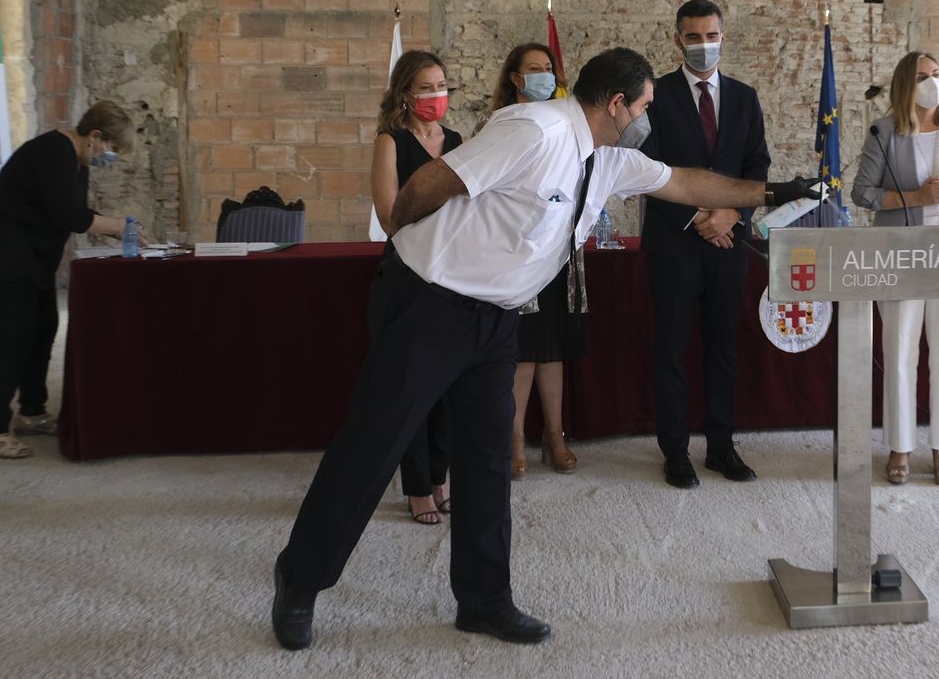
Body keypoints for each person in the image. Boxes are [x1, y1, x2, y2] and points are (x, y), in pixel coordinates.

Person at [269, 47, 819, 651]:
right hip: (432, 301)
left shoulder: (608, 157)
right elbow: (431, 179)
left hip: (499, 318)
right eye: (644, 105)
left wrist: (770, 192)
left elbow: (687, 181)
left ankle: (483, 600)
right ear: (616, 104)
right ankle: (299, 580)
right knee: (375, 444)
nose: (648, 116)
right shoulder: (533, 130)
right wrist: (404, 237)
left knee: (484, 461)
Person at [640, 0, 771, 489]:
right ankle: (675, 451)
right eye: (692, 37)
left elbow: (756, 166)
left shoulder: (744, 96)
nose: (702, 45)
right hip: (675, 244)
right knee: (670, 349)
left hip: (729, 243)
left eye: (710, 35)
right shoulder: (655, 95)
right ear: (678, 40)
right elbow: (649, 169)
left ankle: (721, 447)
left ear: (723, 36)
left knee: (724, 348)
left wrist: (731, 214)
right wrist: (700, 216)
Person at [0, 101, 136, 459]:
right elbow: (67, 214)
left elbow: (78, 211)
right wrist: (118, 227)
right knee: (16, 338)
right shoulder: (52, 151)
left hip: (29, 258)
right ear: (95, 136)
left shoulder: (78, 160)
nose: (111, 158)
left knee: (43, 331)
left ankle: (32, 412)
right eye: (112, 150)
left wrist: (120, 229)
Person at [850, 51, 939, 486]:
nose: (931, 82)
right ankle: (900, 446)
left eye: (937, 74)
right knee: (899, 353)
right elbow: (862, 193)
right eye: (921, 77)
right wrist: (915, 197)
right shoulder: (884, 132)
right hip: (901, 255)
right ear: (904, 86)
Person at [370, 49, 460, 524]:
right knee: (411, 387)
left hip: (453, 276)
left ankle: (441, 477)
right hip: (406, 275)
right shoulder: (391, 141)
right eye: (426, 87)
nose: (436, 95)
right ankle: (418, 487)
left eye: (441, 84)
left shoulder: (460, 140)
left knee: (446, 385)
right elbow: (389, 217)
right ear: (405, 93)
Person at [486, 42, 584, 478]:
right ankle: (515, 439)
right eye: (534, 69)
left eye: (549, 69)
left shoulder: (566, 124)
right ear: (515, 78)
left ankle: (555, 434)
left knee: (552, 349)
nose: (544, 76)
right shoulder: (500, 124)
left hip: (558, 250)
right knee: (523, 350)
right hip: (519, 250)